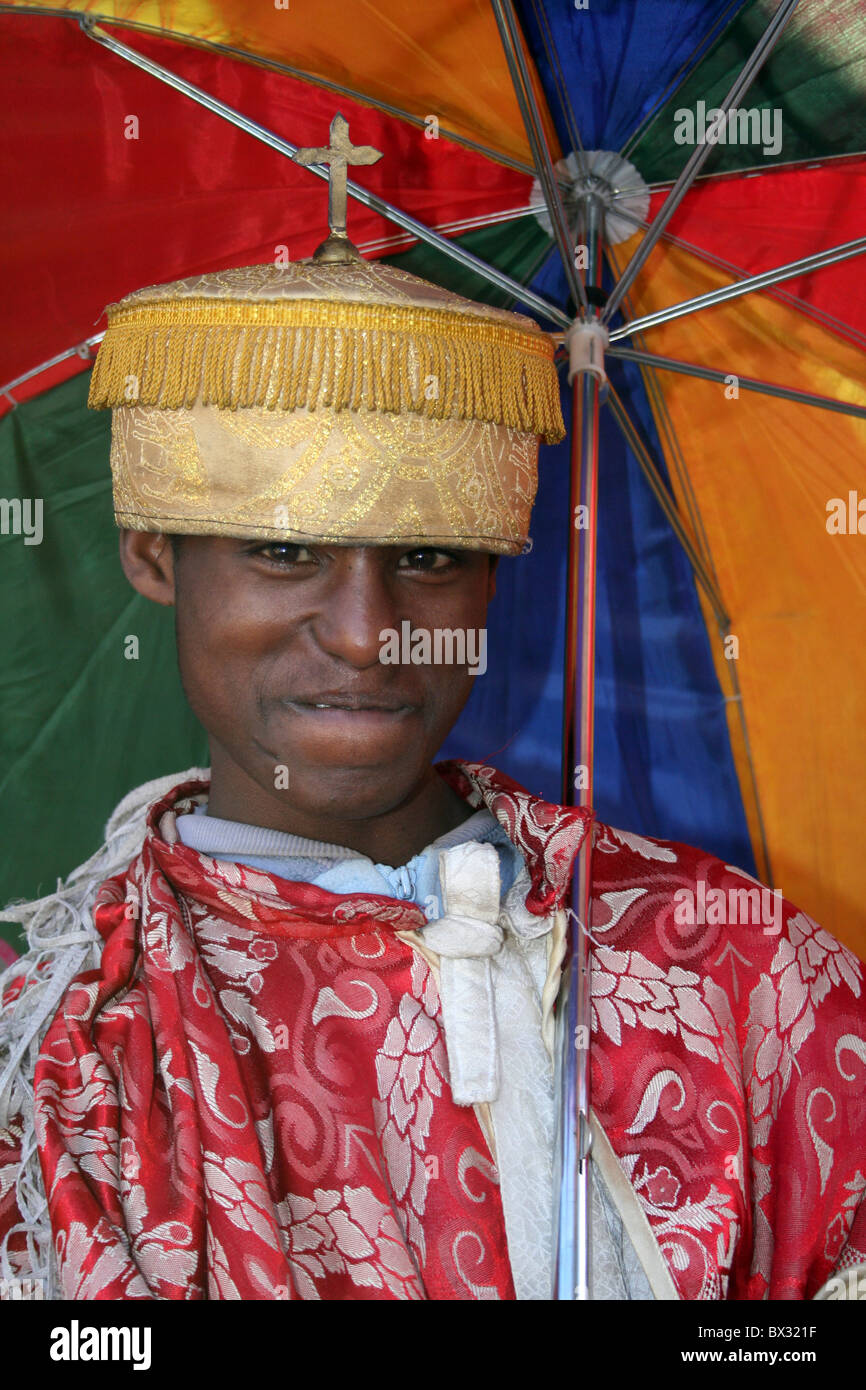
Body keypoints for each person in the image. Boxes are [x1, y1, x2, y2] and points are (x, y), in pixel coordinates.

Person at [1, 163, 864, 1302]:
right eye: (285, 551)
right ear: (155, 553)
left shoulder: (730, 960)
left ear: (493, 574)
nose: (366, 635)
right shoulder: (68, 1050)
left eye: (427, 557)